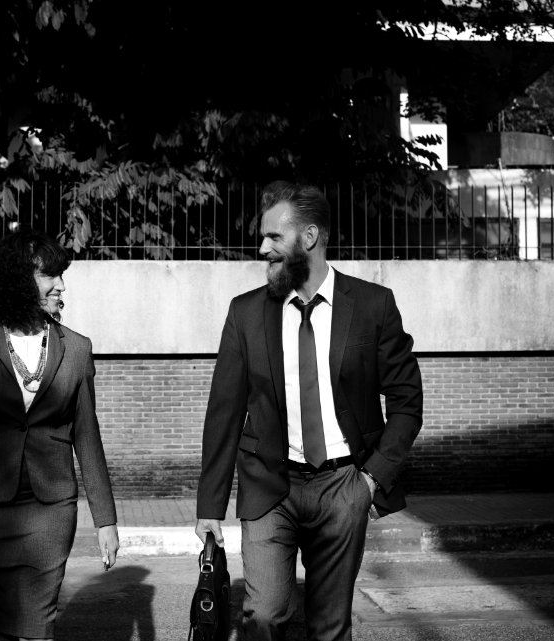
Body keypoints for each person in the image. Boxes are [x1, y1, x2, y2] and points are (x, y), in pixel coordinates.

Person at [195, 181, 423, 641]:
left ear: (310, 237)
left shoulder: (373, 306)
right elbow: (224, 412)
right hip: (268, 486)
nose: (262, 249)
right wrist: (209, 508)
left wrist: (371, 479)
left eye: (274, 238)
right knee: (261, 616)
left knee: (329, 626)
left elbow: (406, 400)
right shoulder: (246, 313)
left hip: (344, 486)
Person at [0, 228, 119, 641]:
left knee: (38, 622)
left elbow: (87, 437)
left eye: (61, 275)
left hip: (52, 507)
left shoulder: (76, 348)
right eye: (49, 276)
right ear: (19, 280)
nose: (61, 285)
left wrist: (105, 520)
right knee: (4, 621)